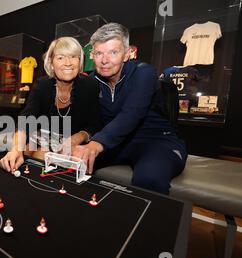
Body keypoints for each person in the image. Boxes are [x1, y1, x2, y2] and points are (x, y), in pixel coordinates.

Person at [72, 23, 187, 195]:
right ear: (92, 55)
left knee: (149, 179)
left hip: (156, 142)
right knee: (73, 164)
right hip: (118, 144)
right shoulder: (91, 81)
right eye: (99, 53)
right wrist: (77, 139)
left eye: (113, 52)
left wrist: (95, 144)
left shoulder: (144, 72)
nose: (104, 60)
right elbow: (90, 120)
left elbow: (132, 113)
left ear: (127, 54)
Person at [0, 37, 102, 172]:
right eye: (60, 58)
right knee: (19, 157)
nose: (68, 63)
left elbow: (95, 124)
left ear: (80, 61)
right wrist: (15, 149)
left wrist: (75, 138)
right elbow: (27, 118)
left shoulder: (90, 85)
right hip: (42, 135)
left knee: (41, 156)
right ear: (51, 63)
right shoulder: (42, 84)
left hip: (72, 140)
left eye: (73, 57)